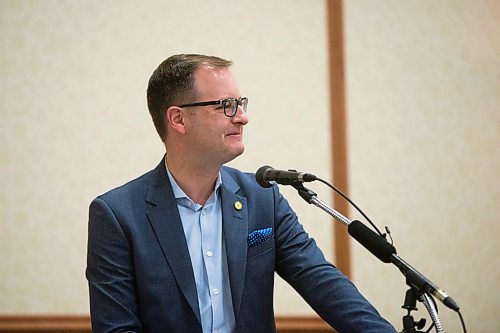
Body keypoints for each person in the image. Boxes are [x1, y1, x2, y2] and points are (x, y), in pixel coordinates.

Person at [86, 54, 396, 333]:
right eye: (226, 106)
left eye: (241, 103)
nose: (242, 117)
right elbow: (117, 329)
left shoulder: (262, 199)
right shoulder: (117, 215)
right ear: (178, 119)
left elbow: (325, 285)